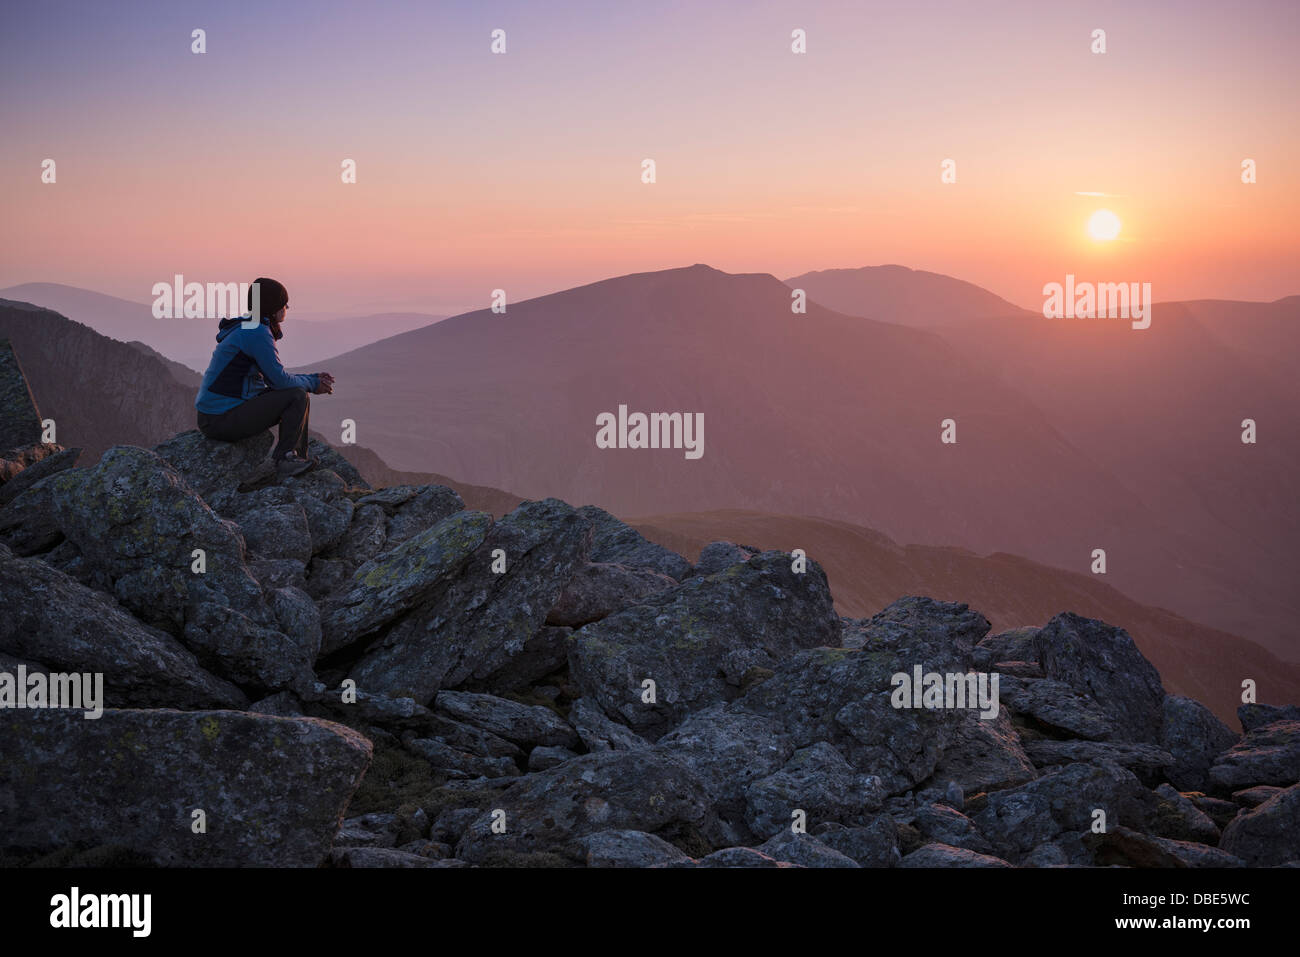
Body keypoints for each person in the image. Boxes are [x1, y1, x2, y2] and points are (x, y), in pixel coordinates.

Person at [194, 278, 335, 478]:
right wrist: (313, 383)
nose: (287, 307)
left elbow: (275, 379)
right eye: (283, 303)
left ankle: (295, 458)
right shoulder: (257, 333)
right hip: (219, 419)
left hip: (215, 415)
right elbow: (280, 381)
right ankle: (287, 460)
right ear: (273, 307)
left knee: (294, 393)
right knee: (297, 396)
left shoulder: (250, 327)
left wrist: (312, 378)